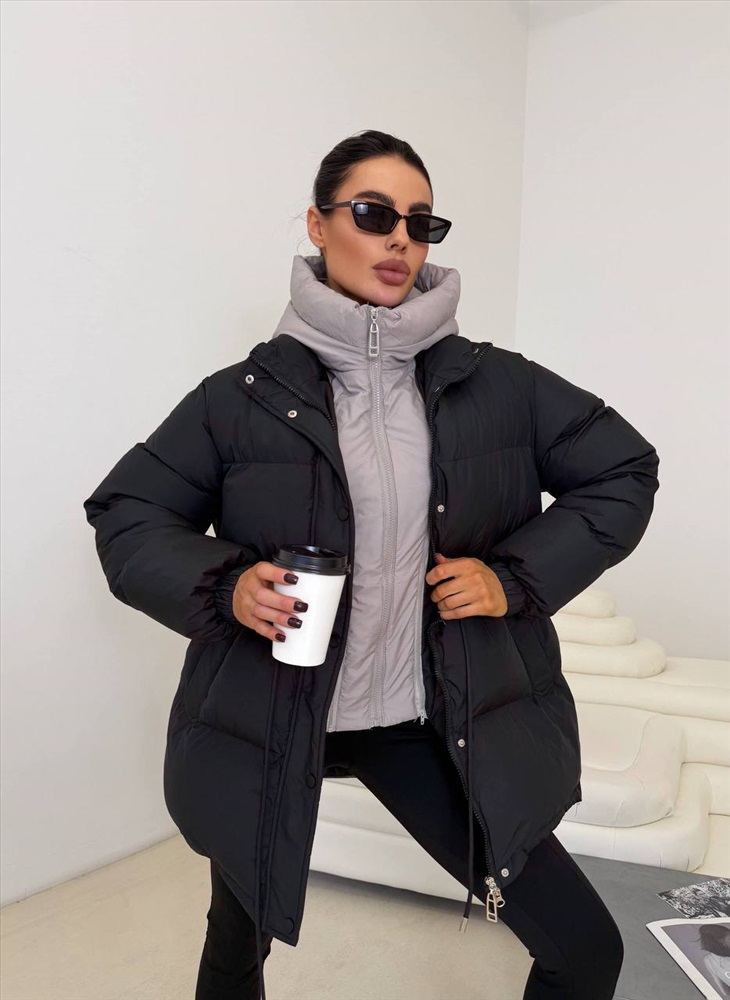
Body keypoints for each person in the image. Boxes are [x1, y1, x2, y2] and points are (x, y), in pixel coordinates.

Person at [83, 129, 660, 1000]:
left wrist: (512, 579)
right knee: (236, 944)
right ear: (319, 224)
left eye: (420, 223)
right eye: (373, 213)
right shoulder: (239, 397)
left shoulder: (500, 386)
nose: (400, 239)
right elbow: (128, 513)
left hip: (419, 716)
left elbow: (623, 470)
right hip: (268, 709)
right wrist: (225, 586)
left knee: (583, 949)